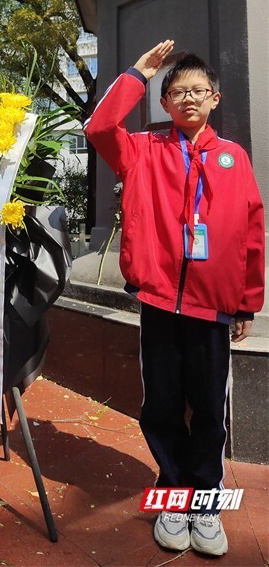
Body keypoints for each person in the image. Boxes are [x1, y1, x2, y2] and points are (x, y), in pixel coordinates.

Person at [84, 41, 265, 558]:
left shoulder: (233, 157)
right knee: (161, 405)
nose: (189, 99)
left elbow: (252, 232)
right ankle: (173, 494)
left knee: (209, 408)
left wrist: (247, 302)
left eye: (198, 92)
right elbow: (98, 129)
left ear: (215, 98)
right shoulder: (143, 148)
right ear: (164, 103)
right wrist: (138, 75)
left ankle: (206, 501)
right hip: (161, 301)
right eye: (178, 92)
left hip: (213, 307)